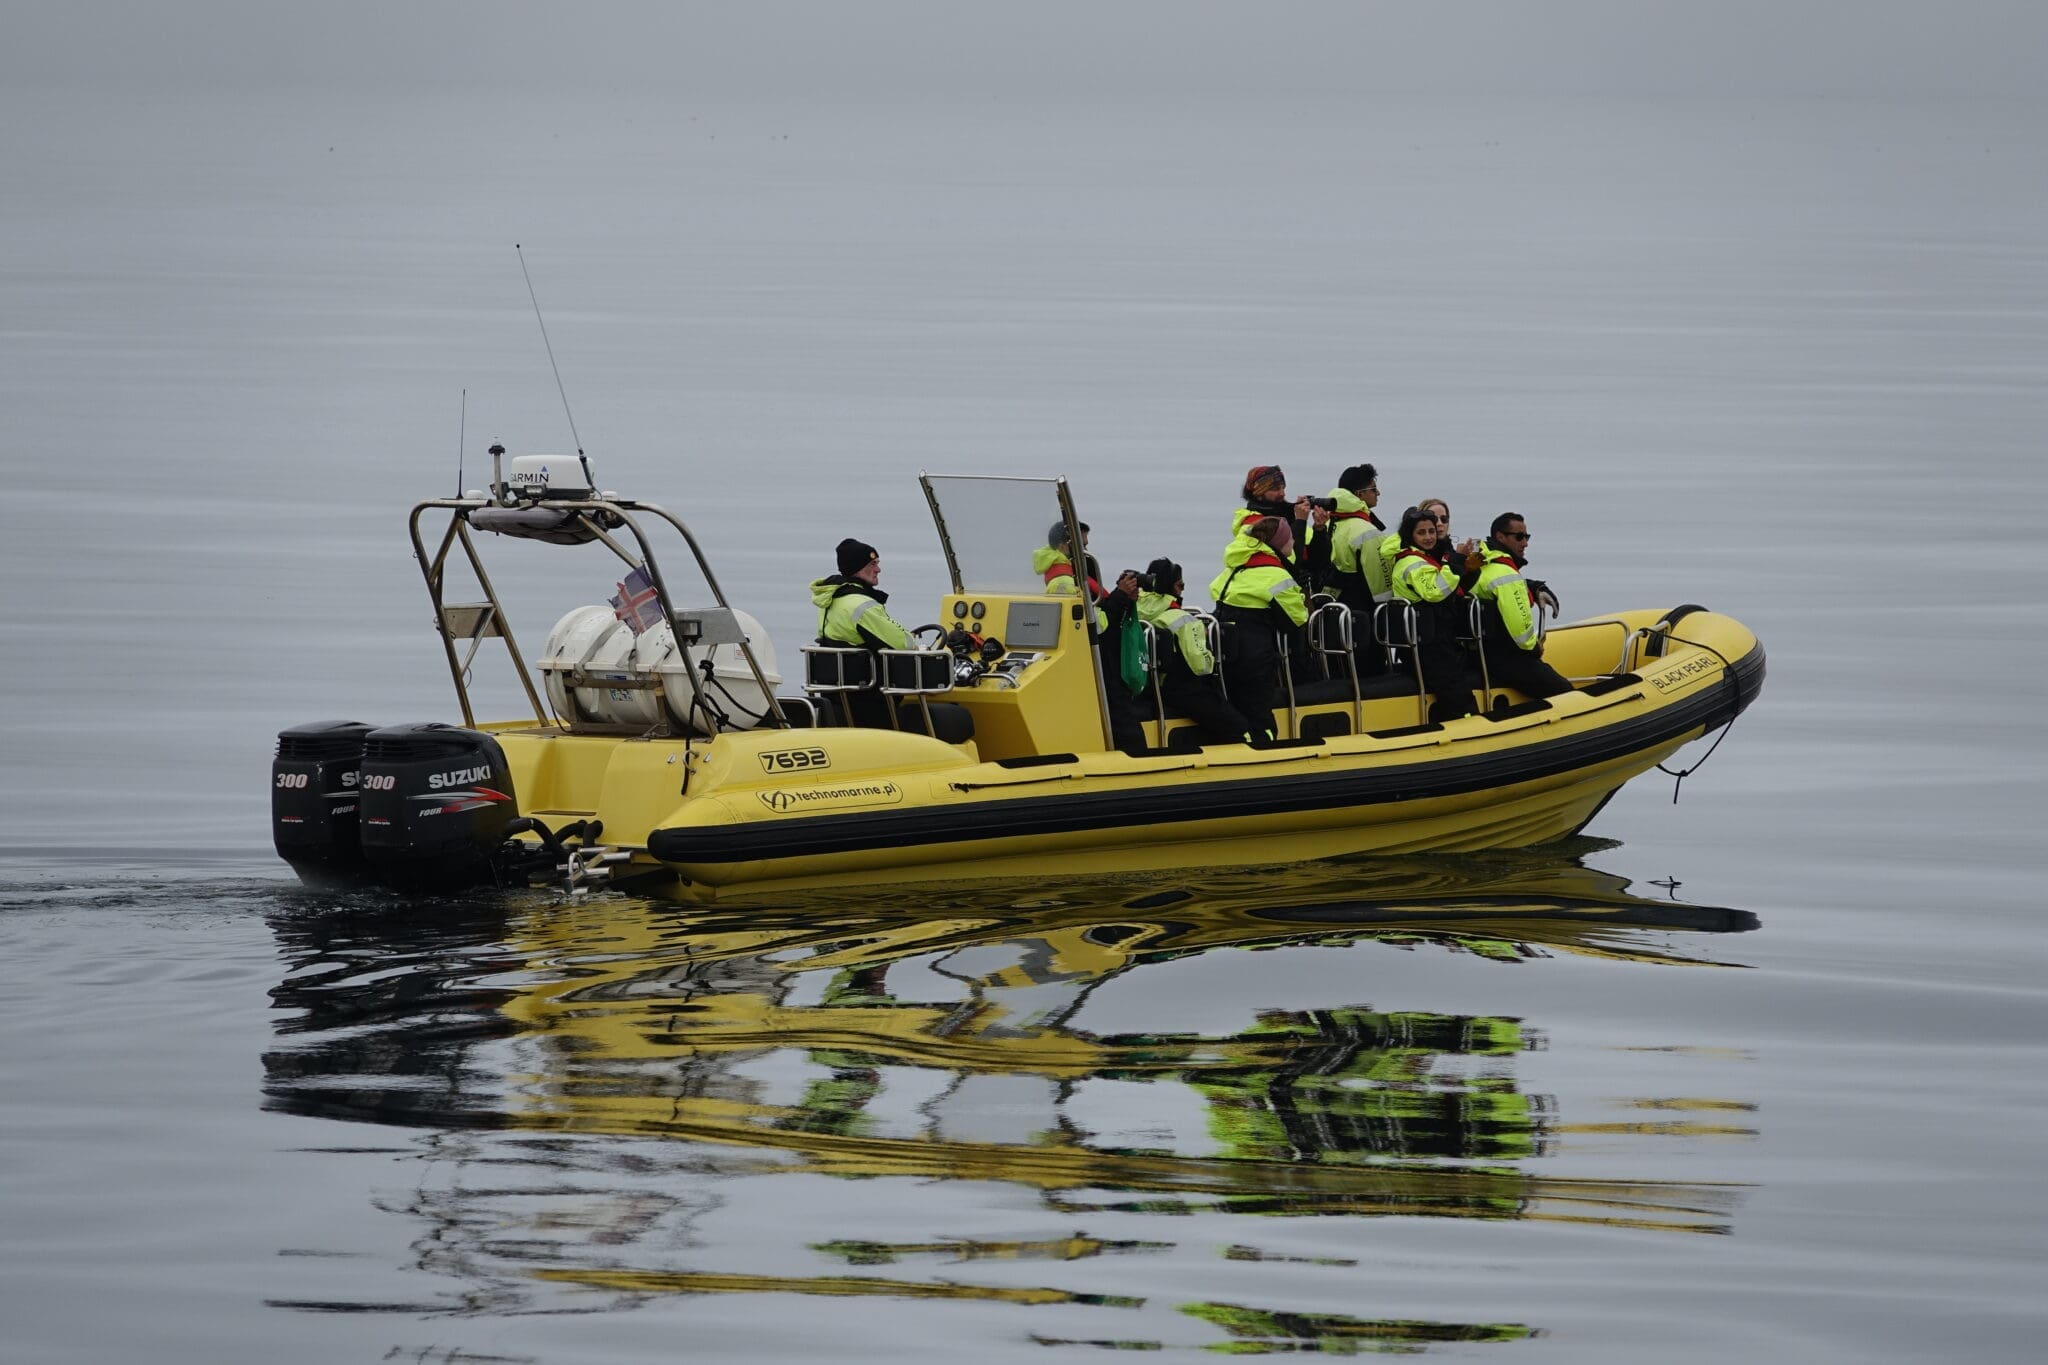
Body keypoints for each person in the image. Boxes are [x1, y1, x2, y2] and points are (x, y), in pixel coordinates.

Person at [1034, 521, 1148, 751]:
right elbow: (1096, 624)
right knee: (1123, 723)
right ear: (1064, 545)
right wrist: (1120, 595)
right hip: (1093, 658)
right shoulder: (1065, 582)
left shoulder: (1069, 576)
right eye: (1082, 546)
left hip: (1095, 655)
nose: (1086, 551)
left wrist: (1123, 597)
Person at [1208, 516, 1309, 739]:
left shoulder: (1236, 567)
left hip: (1225, 653)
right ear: (1280, 544)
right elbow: (1297, 618)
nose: (1293, 542)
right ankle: (1266, 750)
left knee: (1235, 710)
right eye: (1290, 539)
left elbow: (1215, 592)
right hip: (1254, 657)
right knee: (1260, 717)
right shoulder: (1276, 575)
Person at [1135, 557, 1252, 746]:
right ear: (1172, 587)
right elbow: (1201, 666)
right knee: (1237, 726)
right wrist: (1208, 647)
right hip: (1182, 691)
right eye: (1181, 585)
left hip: (1147, 690)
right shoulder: (1185, 620)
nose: (1182, 590)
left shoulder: (1135, 613)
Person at [1388, 506, 1479, 723]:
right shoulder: (1413, 563)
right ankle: (1468, 726)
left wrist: (1468, 570)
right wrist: (1456, 560)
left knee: (1454, 686)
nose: (1428, 537)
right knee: (1456, 693)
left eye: (1431, 531)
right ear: (1410, 535)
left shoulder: (1424, 558)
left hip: (1435, 639)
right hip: (1428, 644)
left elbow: (1450, 590)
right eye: (1421, 533)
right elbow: (1435, 592)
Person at [1471, 513, 1573, 701]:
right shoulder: (1505, 574)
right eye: (1519, 537)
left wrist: (1532, 587)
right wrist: (1534, 648)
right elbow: (1520, 630)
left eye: (1527, 537)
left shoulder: (1481, 564)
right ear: (1500, 537)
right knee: (1565, 693)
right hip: (1507, 658)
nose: (1525, 543)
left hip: (1480, 654)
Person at [811, 537, 911, 727]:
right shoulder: (861, 605)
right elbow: (902, 644)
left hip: (839, 699)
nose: (878, 570)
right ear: (857, 568)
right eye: (873, 564)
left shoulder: (831, 601)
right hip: (870, 703)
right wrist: (915, 642)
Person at [1321, 463, 1395, 676]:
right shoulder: (1367, 531)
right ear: (1359, 494)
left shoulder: (1331, 522)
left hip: (1334, 607)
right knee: (1369, 670)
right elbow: (1381, 584)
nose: (1378, 493)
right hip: (1364, 612)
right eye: (1373, 489)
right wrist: (1387, 616)